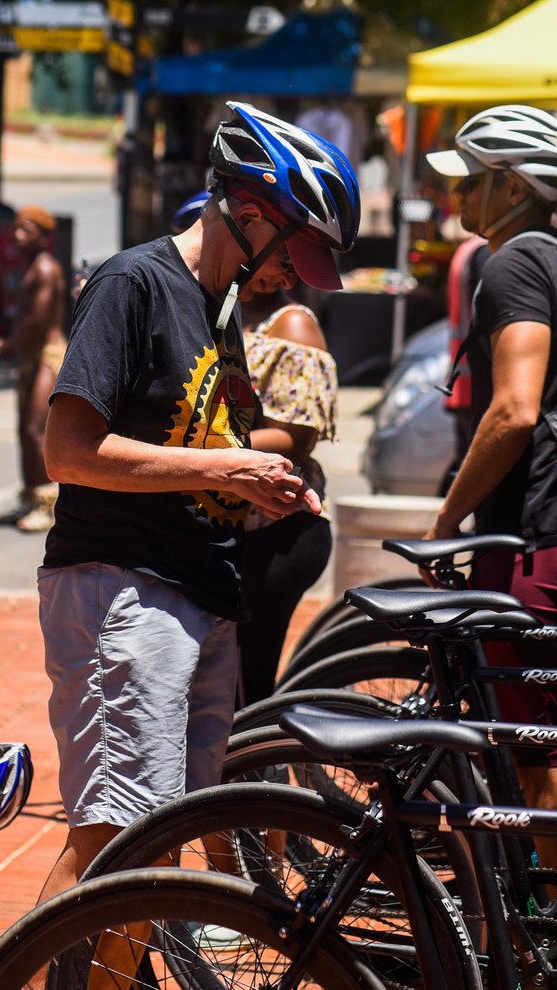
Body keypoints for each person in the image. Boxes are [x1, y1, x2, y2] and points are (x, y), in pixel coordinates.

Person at [31, 101, 358, 943]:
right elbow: (68, 452)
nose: (296, 278)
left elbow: (201, 447)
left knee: (154, 850)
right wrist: (229, 467)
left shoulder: (220, 311)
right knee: (116, 848)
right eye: (296, 253)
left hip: (196, 592)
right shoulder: (134, 283)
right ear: (248, 214)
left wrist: (262, 483)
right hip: (123, 589)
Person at [424, 106, 557, 877]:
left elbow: (514, 408)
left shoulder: (512, 264)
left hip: (535, 538)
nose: (457, 196)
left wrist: (447, 518)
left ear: (511, 186)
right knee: (543, 742)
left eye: (470, 179)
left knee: (543, 755)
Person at [171, 190, 340, 706]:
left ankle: (259, 779)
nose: (287, 277)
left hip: (280, 533)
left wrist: (194, 454)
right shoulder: (214, 317)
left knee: (249, 682)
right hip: (233, 527)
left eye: (293, 266)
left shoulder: (291, 326)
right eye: (284, 261)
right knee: (224, 683)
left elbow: (294, 438)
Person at [0, 206, 66, 532]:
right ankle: (30, 496)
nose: (18, 236)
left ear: (44, 237)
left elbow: (38, 324)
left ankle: (47, 504)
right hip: (29, 354)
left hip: (47, 354)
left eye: (27, 230)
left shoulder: (44, 268)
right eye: (17, 229)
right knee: (24, 431)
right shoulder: (29, 268)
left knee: (34, 429)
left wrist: (7, 346)